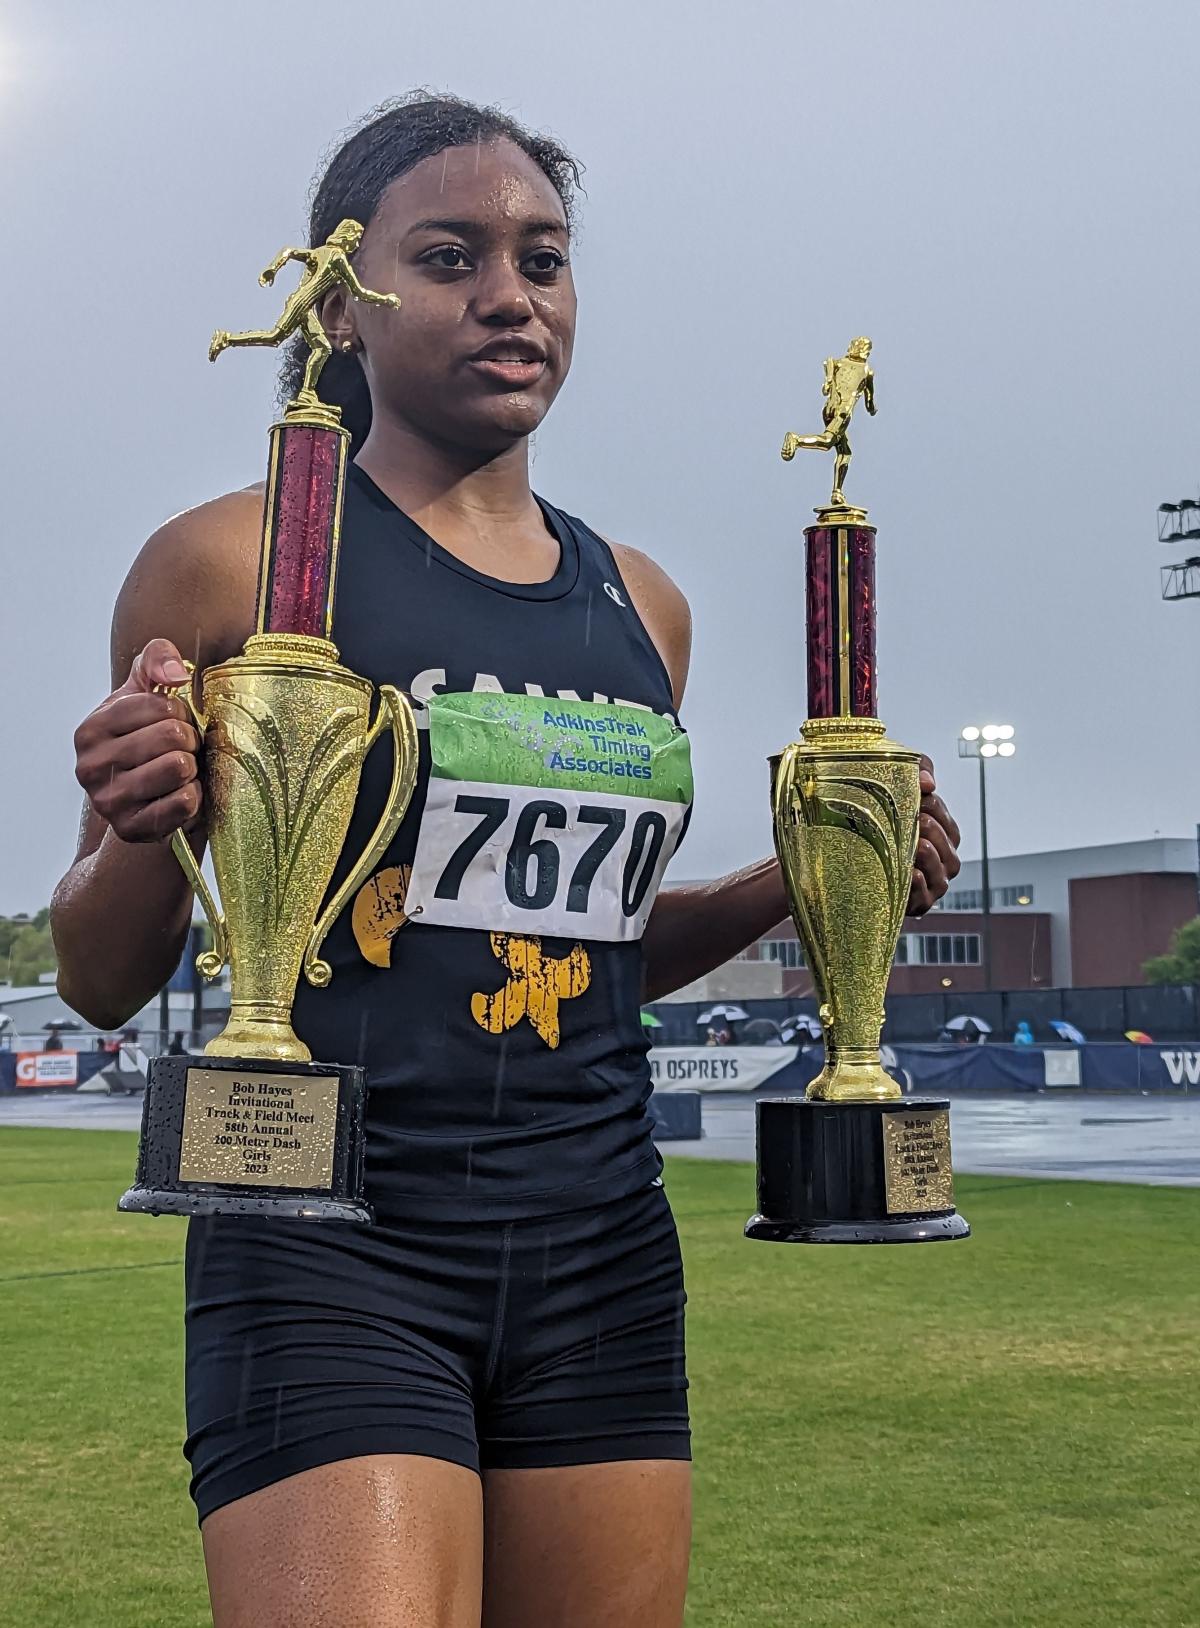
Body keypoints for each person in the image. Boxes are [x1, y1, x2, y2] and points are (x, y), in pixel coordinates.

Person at [50, 94, 962, 1628]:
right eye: (453, 256)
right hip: (333, 1246)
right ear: (343, 299)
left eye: (542, 259)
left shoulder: (644, 606)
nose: (509, 295)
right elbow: (95, 974)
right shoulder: (229, 557)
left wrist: (814, 880)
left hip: (601, 1243)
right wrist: (146, 818)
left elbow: (587, 942)